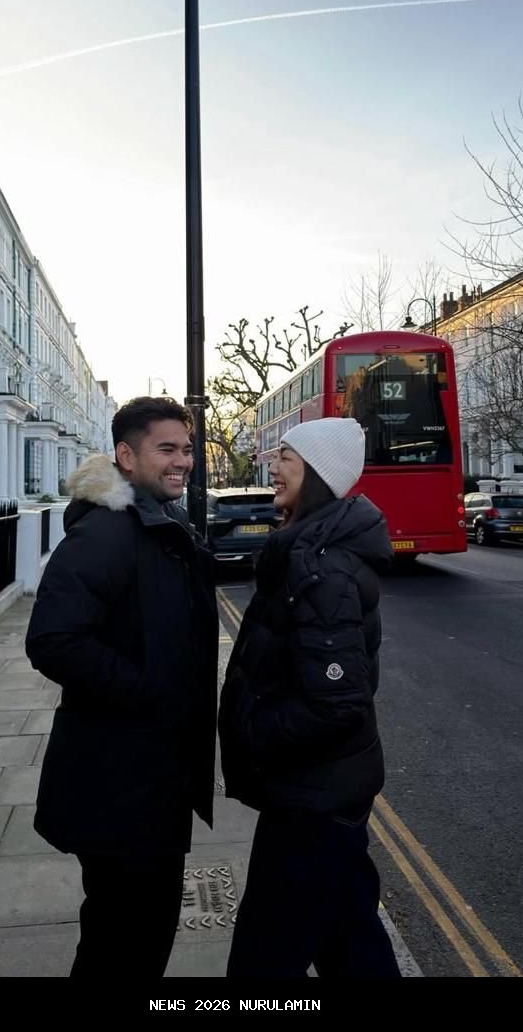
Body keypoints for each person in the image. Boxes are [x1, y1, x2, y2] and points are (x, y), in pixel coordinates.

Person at [26, 395, 218, 980]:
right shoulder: (107, 533)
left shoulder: (159, 523)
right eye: (167, 449)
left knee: (139, 934)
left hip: (150, 774)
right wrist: (148, 690)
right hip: (119, 780)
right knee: (124, 941)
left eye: (187, 449)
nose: (182, 461)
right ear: (126, 456)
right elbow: (52, 639)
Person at [219, 417, 401, 979]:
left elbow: (337, 700)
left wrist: (256, 732)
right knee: (351, 940)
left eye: (286, 458)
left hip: (313, 796)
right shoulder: (307, 549)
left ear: (318, 473)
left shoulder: (323, 568)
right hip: (321, 788)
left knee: (264, 961)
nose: (272, 468)